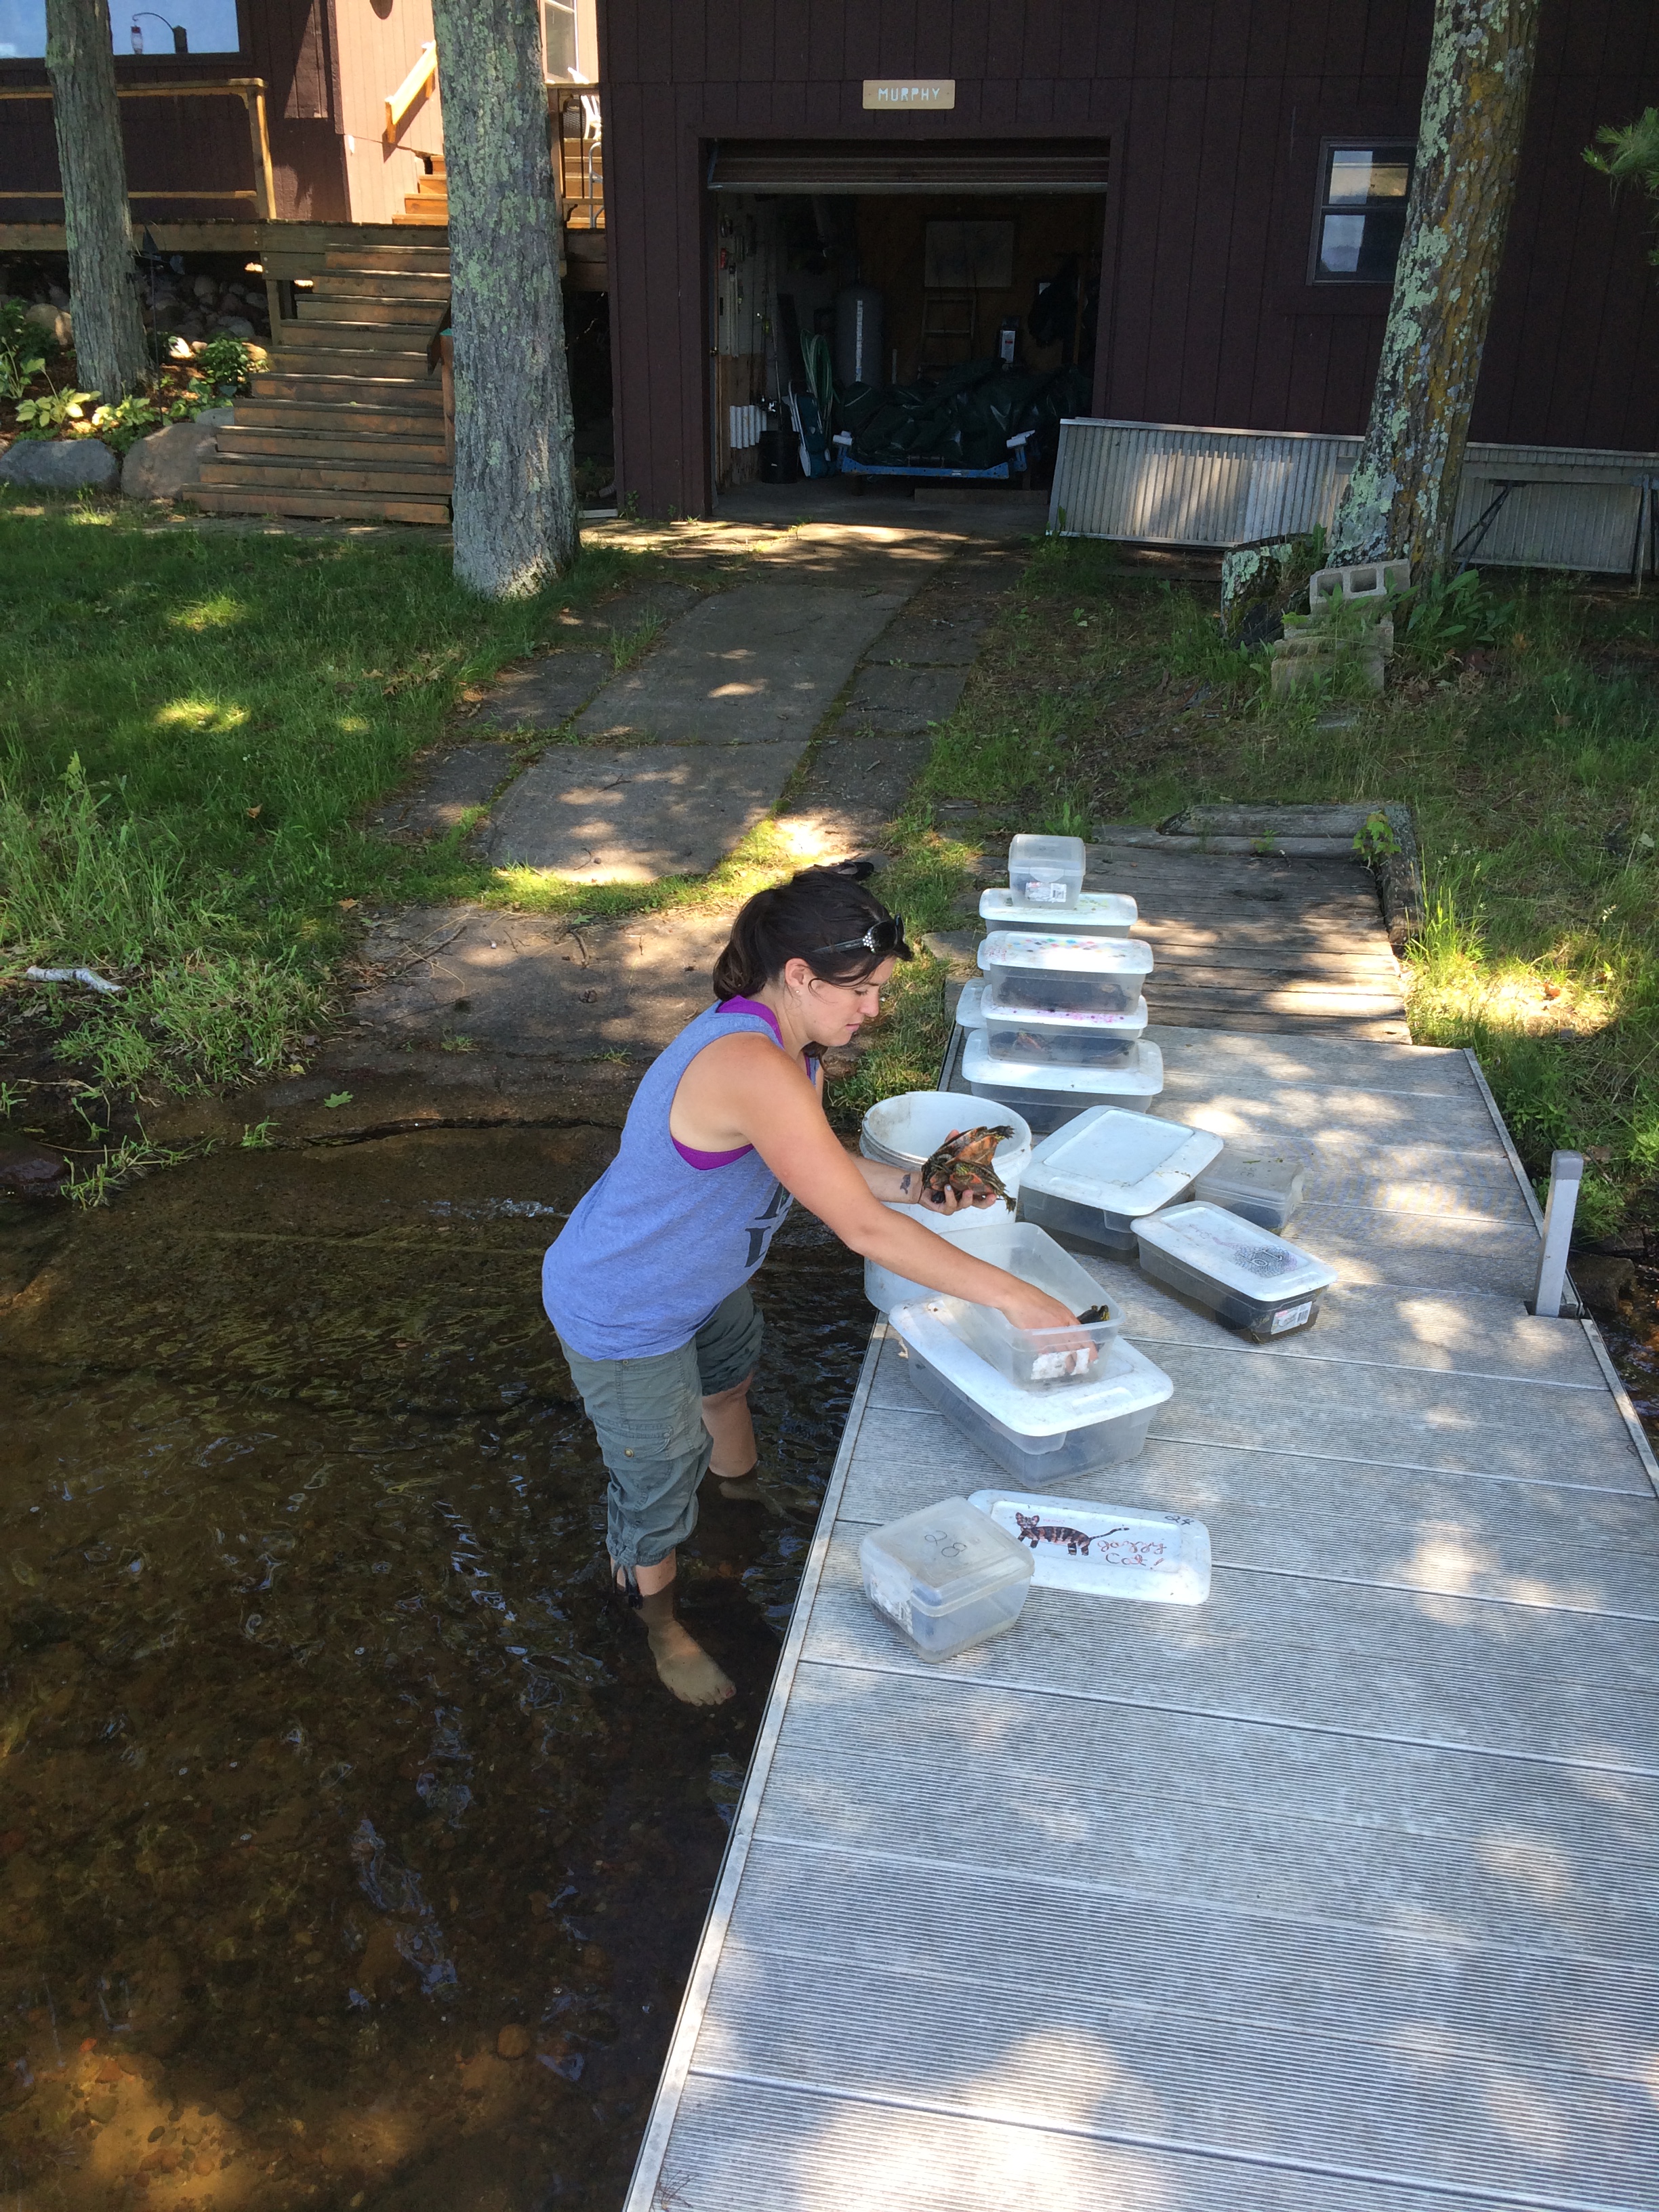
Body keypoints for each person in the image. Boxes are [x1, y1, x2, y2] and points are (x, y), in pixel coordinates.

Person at [541, 864, 1078, 1706]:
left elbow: (825, 1171)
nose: (874, 1010)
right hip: (626, 1302)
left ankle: (743, 1497)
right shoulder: (748, 1066)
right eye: (860, 990)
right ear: (798, 975)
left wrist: (920, 1184)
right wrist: (1016, 1297)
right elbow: (859, 1230)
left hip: (700, 1281)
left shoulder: (797, 1055)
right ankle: (658, 1622)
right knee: (658, 1469)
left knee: (731, 1381)